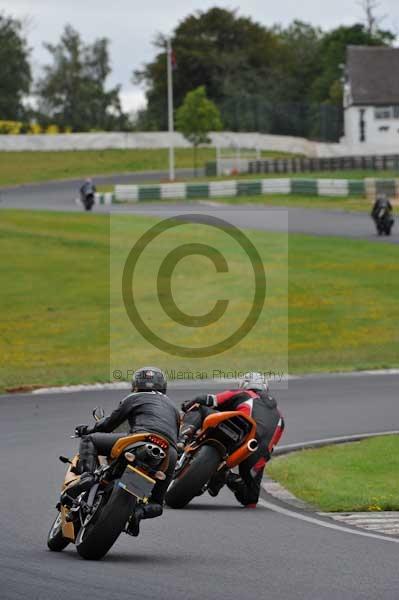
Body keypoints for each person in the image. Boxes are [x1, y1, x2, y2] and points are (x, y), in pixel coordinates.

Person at [62, 367, 180, 534]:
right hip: (169, 452)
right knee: (156, 503)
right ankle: (139, 512)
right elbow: (178, 438)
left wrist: (87, 430)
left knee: (90, 440)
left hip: (140, 439)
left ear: (136, 385)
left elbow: (110, 423)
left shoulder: (134, 397)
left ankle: (87, 477)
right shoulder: (174, 408)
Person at [179, 372, 285, 508]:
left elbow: (208, 399)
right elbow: (270, 447)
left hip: (240, 435)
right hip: (254, 451)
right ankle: (230, 477)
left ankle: (182, 439)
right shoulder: (280, 417)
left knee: (198, 406)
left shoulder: (244, 394)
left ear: (245, 385)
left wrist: (187, 405)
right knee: (250, 499)